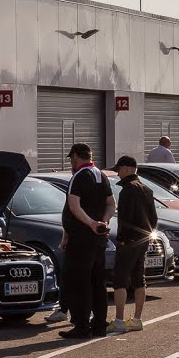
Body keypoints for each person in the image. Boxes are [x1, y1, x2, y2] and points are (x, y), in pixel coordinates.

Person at [58, 142, 115, 340]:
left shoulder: (80, 176)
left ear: (76, 156)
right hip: (98, 238)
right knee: (97, 282)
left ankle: (81, 325)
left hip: (82, 238)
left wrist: (91, 223)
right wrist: (103, 222)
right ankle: (99, 324)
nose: (71, 163)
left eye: (71, 159)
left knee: (79, 282)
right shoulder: (101, 175)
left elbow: (73, 206)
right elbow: (111, 204)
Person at [108, 156, 156, 334]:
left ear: (127, 168)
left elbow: (125, 218)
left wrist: (122, 238)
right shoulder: (147, 189)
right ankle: (137, 319)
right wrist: (147, 234)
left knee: (120, 280)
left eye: (119, 169)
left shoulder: (127, 190)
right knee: (138, 278)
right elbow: (153, 219)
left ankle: (119, 320)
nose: (118, 174)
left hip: (128, 241)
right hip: (143, 240)